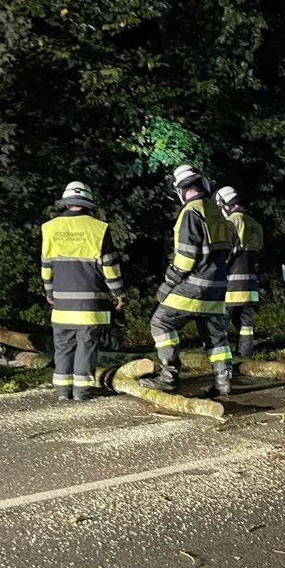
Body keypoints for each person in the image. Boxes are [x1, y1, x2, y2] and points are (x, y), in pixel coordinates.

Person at [144, 165, 232, 396]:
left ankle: (168, 377)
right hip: (217, 288)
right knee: (216, 337)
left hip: (193, 287)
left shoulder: (190, 213)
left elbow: (185, 258)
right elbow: (229, 249)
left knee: (161, 323)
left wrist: (168, 284)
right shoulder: (216, 212)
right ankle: (223, 382)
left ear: (180, 190)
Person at [40, 181, 125, 401]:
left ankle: (62, 391)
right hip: (90, 305)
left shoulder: (49, 228)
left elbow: (46, 267)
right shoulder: (99, 229)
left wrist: (49, 293)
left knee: (63, 346)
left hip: (62, 303)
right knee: (86, 346)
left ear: (66, 202)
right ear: (88, 203)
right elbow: (110, 267)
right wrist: (118, 294)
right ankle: (82, 391)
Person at [214, 185, 264, 358]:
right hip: (251, 286)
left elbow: (225, 254)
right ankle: (245, 354)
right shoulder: (255, 224)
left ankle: (222, 357)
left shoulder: (231, 223)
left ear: (224, 204)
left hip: (231, 287)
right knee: (246, 325)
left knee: (220, 324)